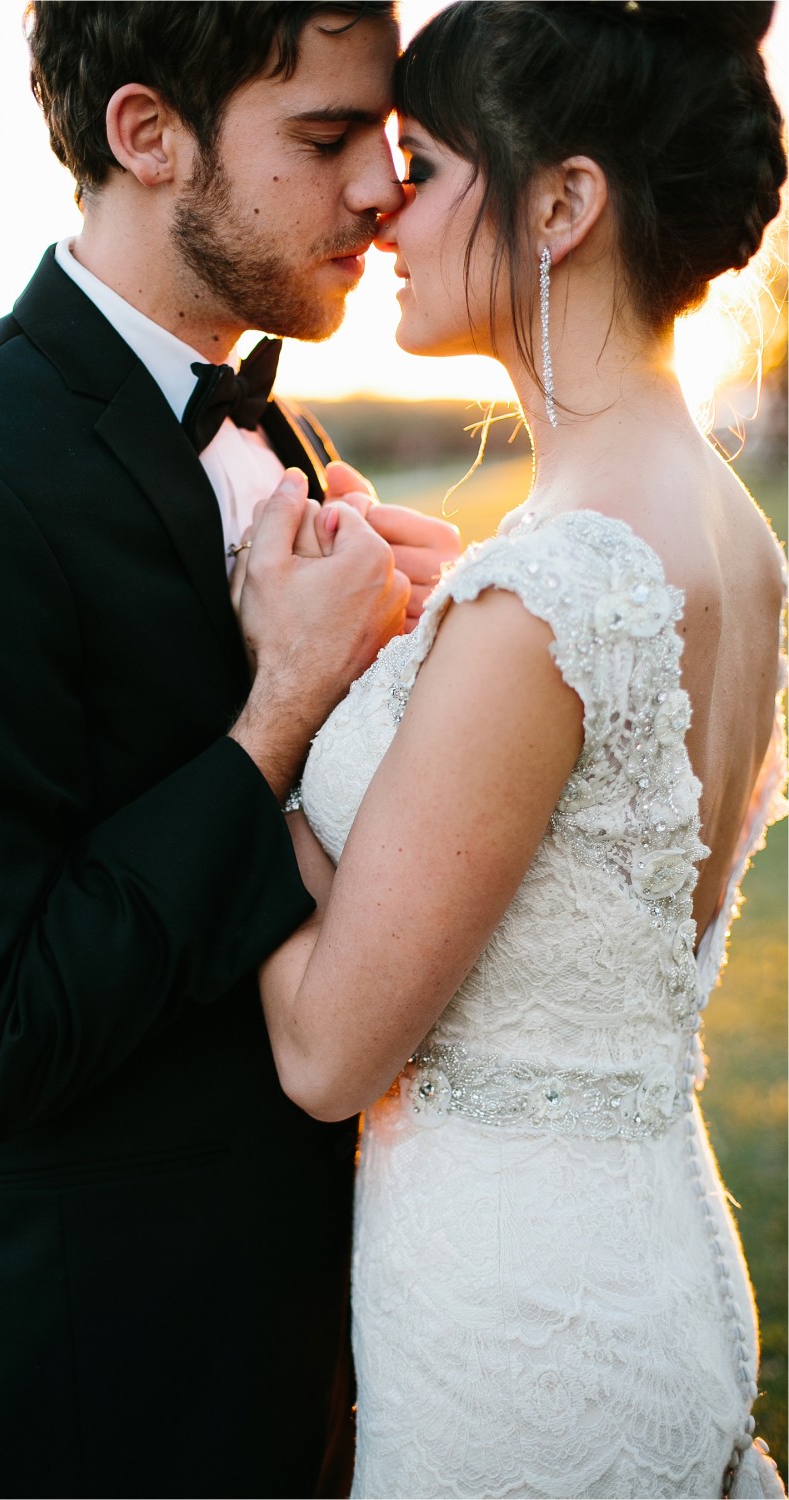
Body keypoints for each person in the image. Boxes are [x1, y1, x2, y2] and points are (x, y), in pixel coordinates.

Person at [0, 4, 461, 1497]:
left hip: (341, 1372)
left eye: (393, 139)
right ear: (147, 135)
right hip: (88, 1399)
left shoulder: (278, 441)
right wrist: (277, 714)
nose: (384, 189)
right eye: (328, 137)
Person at [247, 2, 789, 1495]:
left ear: (564, 204)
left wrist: (275, 708)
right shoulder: (725, 533)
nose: (384, 208)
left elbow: (323, 1050)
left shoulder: (547, 596)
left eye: (422, 163)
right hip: (644, 1255)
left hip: (520, 1340)